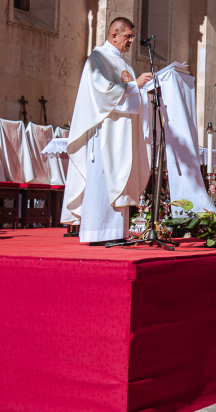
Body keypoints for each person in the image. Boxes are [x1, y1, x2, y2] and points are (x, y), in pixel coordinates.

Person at [61, 17, 152, 245]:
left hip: (121, 132)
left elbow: (129, 95)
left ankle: (114, 233)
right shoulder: (98, 58)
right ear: (114, 35)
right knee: (104, 177)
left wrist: (144, 90)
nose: (131, 40)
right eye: (127, 36)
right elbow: (102, 91)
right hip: (105, 134)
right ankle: (96, 232)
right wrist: (135, 86)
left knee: (118, 176)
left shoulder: (123, 62)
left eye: (132, 36)